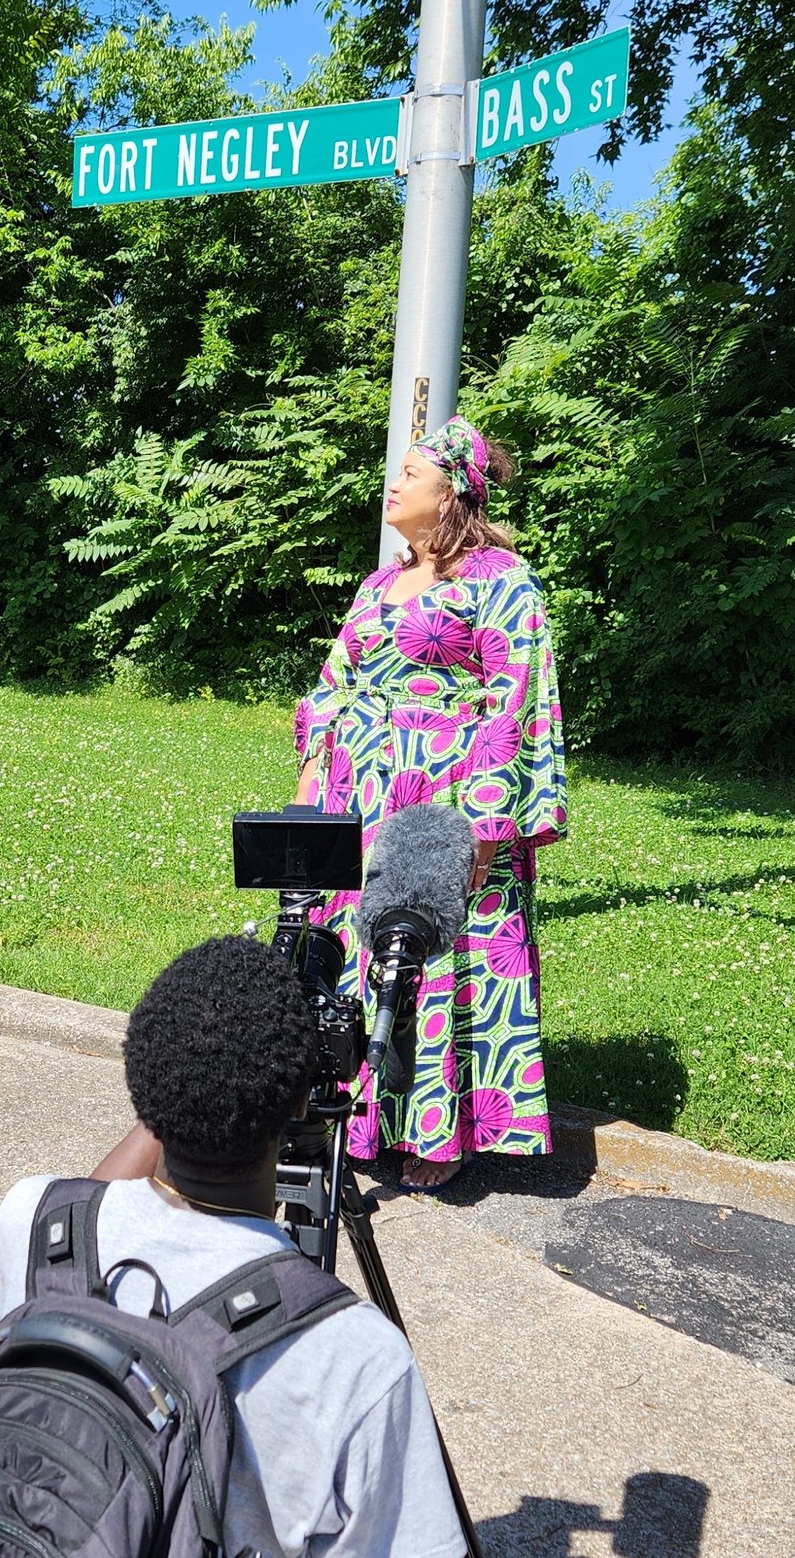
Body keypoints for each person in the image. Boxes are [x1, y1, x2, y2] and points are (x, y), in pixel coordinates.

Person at [0, 935, 465, 1558]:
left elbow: (96, 1192)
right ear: (302, 1100)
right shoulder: (358, 1355)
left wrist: (186, 1073)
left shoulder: (36, 1219)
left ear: (146, 1081)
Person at [292, 417, 567, 1193]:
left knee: (437, 958)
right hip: (363, 795)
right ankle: (364, 1116)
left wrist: (484, 825)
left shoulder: (500, 580)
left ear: (451, 492)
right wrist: (315, 776)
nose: (393, 483)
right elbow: (334, 680)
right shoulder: (378, 585)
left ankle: (440, 1132)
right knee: (363, 953)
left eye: (409, 473)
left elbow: (514, 701)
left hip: (445, 800)